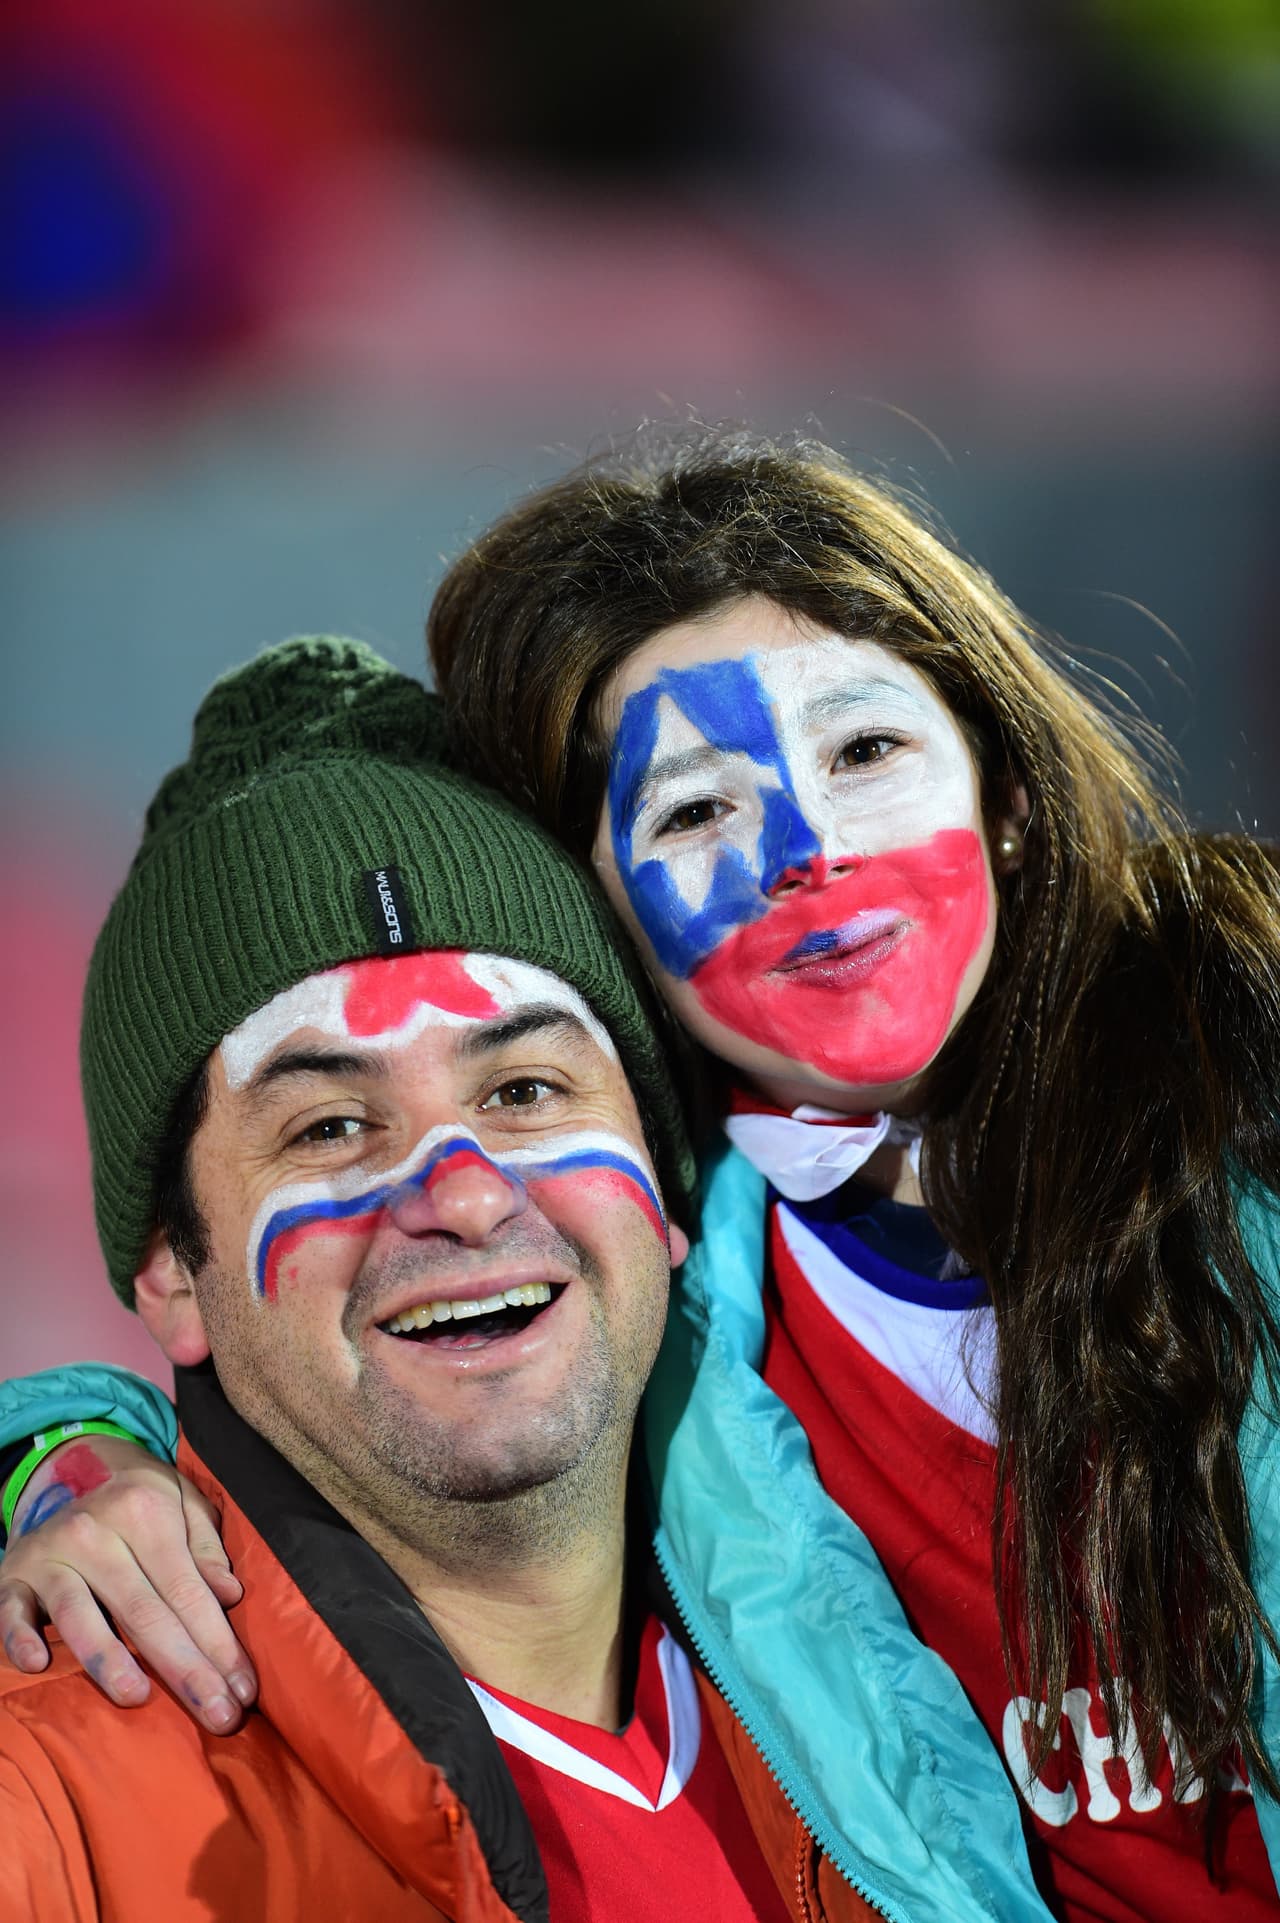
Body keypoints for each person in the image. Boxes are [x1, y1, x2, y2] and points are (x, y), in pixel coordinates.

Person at [5, 429, 1278, 1919]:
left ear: (1002, 790)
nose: (806, 851)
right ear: (618, 925)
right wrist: (58, 1458)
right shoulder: (676, 1328)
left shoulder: (1246, 1104)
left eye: (865, 753)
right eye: (695, 812)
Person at [0, 633, 891, 1923]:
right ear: (169, 1271)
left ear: (670, 1190)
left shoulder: (900, 1693)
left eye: (527, 1090)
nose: (466, 1196)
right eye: (328, 1128)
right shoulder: (48, 1810)